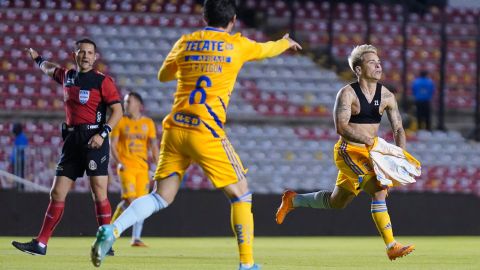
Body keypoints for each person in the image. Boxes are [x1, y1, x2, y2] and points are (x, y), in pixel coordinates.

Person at [90, 0, 301, 269]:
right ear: (233, 20)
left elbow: (163, 75)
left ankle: (113, 231)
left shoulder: (186, 41)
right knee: (242, 195)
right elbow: (266, 49)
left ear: (204, 19)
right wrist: (284, 42)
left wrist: (192, 63)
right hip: (205, 130)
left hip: (175, 128)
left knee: (160, 196)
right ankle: (247, 265)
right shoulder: (237, 44)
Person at [275, 45, 415, 261]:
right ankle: (391, 246)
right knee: (379, 189)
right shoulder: (348, 94)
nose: (378, 65)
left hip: (369, 153)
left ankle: (294, 201)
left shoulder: (387, 95)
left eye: (378, 61)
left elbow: (398, 129)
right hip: (347, 151)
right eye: (371, 62)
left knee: (337, 202)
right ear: (358, 70)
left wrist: (400, 155)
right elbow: (341, 127)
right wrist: (369, 140)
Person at [11, 38, 123, 256]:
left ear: (95, 56)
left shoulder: (103, 81)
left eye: (90, 52)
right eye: (82, 52)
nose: (86, 56)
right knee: (56, 192)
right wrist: (38, 59)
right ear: (75, 55)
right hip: (72, 141)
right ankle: (41, 243)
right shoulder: (67, 76)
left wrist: (103, 134)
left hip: (95, 140)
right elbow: (49, 69)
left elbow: (118, 111)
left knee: (99, 192)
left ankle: (106, 242)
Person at [110, 92, 159, 247]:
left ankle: (135, 238)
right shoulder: (120, 122)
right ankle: (111, 232)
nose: (125, 105)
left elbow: (153, 146)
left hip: (142, 168)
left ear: (138, 103)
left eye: (128, 101)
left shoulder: (148, 123)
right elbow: (113, 145)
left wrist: (158, 166)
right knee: (130, 200)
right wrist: (119, 162)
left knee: (140, 204)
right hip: (126, 167)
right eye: (125, 102)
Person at [10, 123, 29, 189]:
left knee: (20, 175)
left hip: (20, 160)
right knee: (15, 175)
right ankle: (16, 187)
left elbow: (22, 149)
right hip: (15, 161)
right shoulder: (17, 137)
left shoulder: (22, 137)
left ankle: (20, 188)